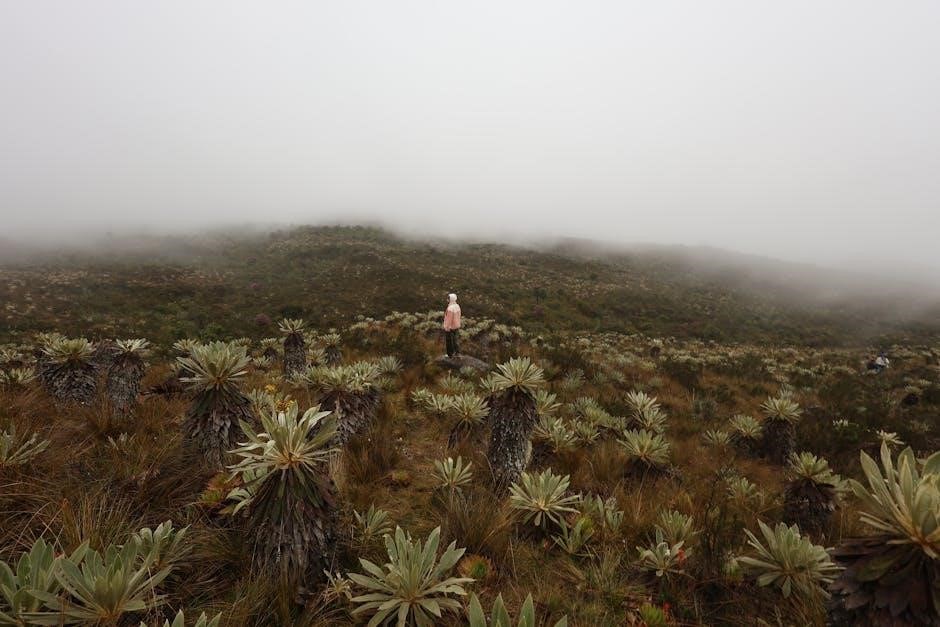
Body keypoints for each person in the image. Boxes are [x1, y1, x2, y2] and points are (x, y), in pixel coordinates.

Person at [443, 293, 462, 357]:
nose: (447, 299)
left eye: (448, 298)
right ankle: (457, 353)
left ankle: (450, 354)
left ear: (451, 299)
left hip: (450, 327)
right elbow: (459, 315)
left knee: (449, 341)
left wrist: (447, 327)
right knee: (456, 340)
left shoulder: (450, 308)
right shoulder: (457, 306)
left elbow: (449, 319)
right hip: (457, 326)